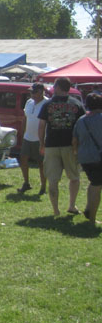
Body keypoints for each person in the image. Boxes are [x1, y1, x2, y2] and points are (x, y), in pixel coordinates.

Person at [38, 76, 85, 216]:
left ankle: (56, 210)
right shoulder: (77, 104)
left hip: (52, 145)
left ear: (58, 87)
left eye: (54, 86)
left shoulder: (47, 104)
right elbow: (81, 125)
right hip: (71, 146)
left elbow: (41, 126)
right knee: (74, 177)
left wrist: (41, 143)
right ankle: (71, 205)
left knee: (53, 179)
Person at [72, 92, 102, 225]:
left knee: (93, 182)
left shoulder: (81, 120)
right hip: (98, 157)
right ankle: (91, 220)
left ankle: (89, 209)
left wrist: (76, 153)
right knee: (96, 185)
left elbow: (75, 140)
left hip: (84, 157)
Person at [17, 82, 49, 195]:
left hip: (40, 139)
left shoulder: (47, 103)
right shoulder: (29, 102)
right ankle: (26, 183)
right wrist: (22, 132)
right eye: (31, 92)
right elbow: (25, 118)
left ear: (41, 92)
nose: (32, 94)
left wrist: (44, 141)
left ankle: (43, 187)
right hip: (27, 137)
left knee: (41, 163)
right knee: (23, 160)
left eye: (34, 92)